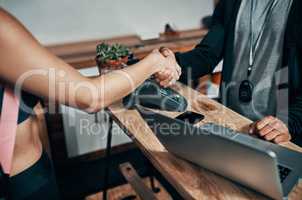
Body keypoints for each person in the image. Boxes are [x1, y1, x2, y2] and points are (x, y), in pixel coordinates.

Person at [0, 8, 179, 199]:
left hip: (30, 170)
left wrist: (144, 71)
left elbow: (64, 85)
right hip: (17, 183)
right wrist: (154, 61)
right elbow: (90, 97)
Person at [156, 0, 302, 146]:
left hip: (277, 135)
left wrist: (288, 122)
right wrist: (169, 64)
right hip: (232, 122)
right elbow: (207, 55)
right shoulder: (230, 3)